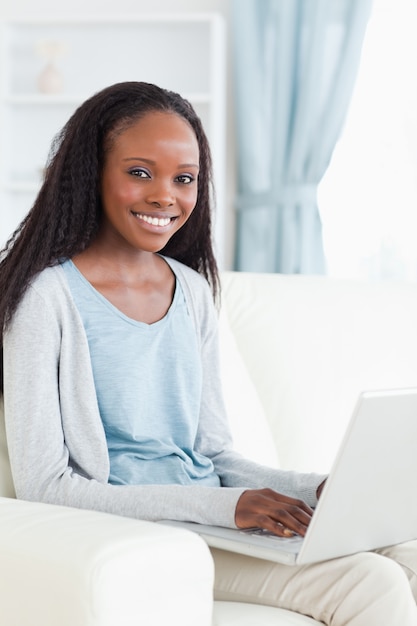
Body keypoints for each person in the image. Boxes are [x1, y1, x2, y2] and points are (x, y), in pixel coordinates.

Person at [0, 81, 416, 625]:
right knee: (367, 581)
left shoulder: (191, 291)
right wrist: (228, 507)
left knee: (408, 552)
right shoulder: (45, 299)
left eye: (185, 179)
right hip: (138, 537)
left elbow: (213, 455)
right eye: (140, 172)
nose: (165, 196)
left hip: (210, 521)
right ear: (91, 173)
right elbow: (45, 485)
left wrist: (315, 488)